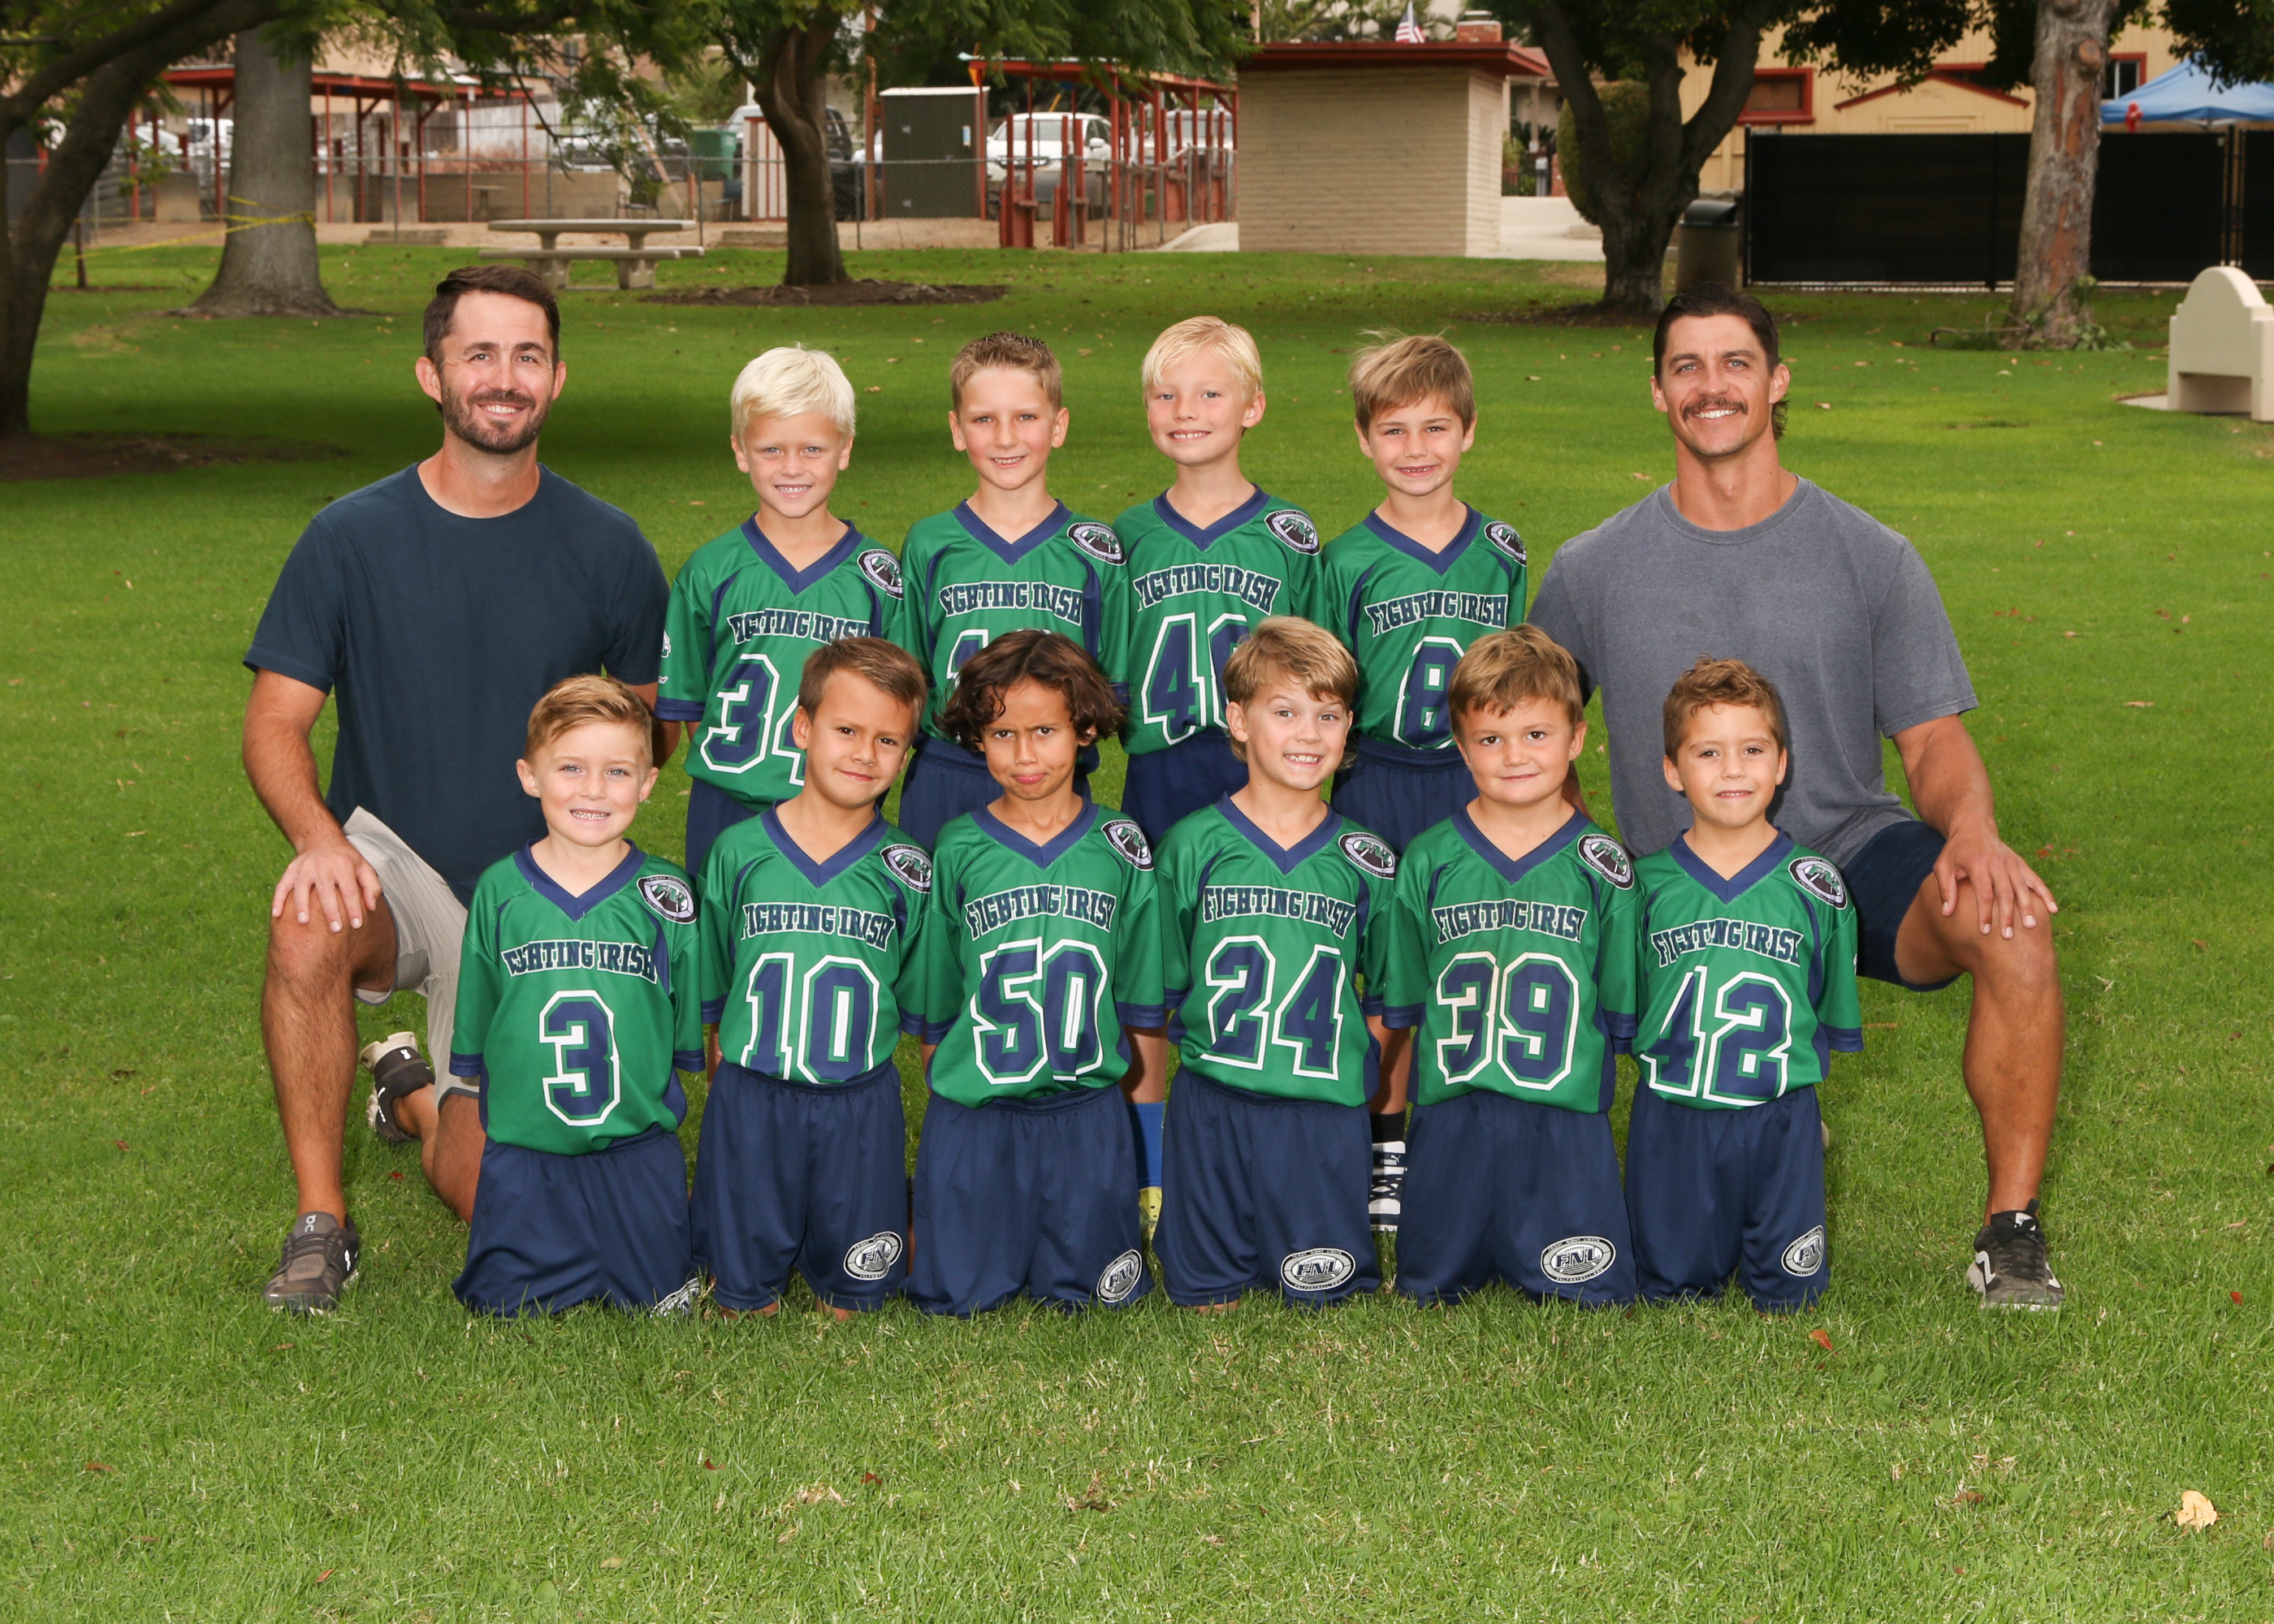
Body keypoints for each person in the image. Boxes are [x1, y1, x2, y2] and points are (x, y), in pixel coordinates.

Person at [1528, 282, 2065, 1309]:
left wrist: (1975, 831)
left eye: (1735, 362)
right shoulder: (1592, 568)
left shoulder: (1869, 555)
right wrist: (1579, 858)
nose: (1712, 385)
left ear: (1776, 382)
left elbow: (1932, 737)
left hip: (1840, 859)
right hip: (1673, 881)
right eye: (1686, 366)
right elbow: (1533, 730)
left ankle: (2011, 1233)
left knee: (2016, 927)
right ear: (1657, 393)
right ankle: (1730, 1097)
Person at [243, 265, 668, 1313]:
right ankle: (320, 1222)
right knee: (305, 920)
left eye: (527, 355)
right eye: (479, 354)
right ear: (432, 375)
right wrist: (319, 841)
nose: (503, 377)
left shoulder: (609, 544)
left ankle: (414, 1094)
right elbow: (274, 724)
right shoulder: (351, 535)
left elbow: (653, 729)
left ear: (556, 378)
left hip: (540, 890)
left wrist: (590, 830)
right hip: (395, 871)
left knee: (498, 1206)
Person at [1316, 332, 1527, 1229]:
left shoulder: (1502, 551)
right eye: (1393, 430)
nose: (1415, 448)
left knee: (1471, 957)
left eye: (1435, 427)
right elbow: (1325, 691)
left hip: (1472, 783)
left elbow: (1520, 684)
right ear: (1364, 440)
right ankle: (1381, 1141)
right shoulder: (1343, 560)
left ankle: (1469, 1134)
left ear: (1468, 431)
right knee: (1381, 975)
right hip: (1377, 777)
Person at [901, 632, 1167, 1315]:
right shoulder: (957, 847)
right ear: (977, 737)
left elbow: (1142, 1010)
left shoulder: (1120, 846)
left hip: (1086, 1117)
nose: (1024, 755)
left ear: (1084, 728)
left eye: (1044, 731)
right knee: (955, 1297)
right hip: (978, 1118)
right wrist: (949, 1129)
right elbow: (938, 1006)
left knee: (1100, 1300)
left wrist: (1150, 1156)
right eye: (1002, 734)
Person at [1381, 627, 1640, 1307]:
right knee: (1431, 1286)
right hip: (1453, 1110)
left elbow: (1620, 1004)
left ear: (1577, 738)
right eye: (1491, 739)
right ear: (1462, 747)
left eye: (1536, 734)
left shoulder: (1601, 866)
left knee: (1589, 1289)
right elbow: (1405, 998)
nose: (1515, 755)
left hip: (1565, 1118)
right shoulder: (1429, 860)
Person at [1152, 618, 1397, 1310]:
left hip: (1322, 1115)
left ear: (1349, 727)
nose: (1308, 734)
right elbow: (1160, 988)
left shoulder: (1367, 860)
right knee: (1206, 1298)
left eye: (1328, 715)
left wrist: (1352, 1078)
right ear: (1239, 719)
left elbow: (1388, 998)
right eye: (1284, 712)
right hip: (1213, 1106)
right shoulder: (1191, 847)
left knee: (1325, 1299)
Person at [690, 638, 932, 1318]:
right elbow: (716, 986)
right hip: (752, 1095)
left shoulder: (908, 869)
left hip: (859, 1102)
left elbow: (921, 998)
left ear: (907, 754)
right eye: (846, 730)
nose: (864, 754)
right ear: (802, 727)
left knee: (856, 1300)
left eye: (887, 740)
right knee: (741, 1300)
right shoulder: (738, 852)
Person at [447, 677, 704, 1316]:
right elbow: (480, 1008)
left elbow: (682, 1018)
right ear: (529, 776)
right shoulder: (501, 891)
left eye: (617, 771)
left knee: (663, 1305)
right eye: (571, 768)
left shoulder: (667, 895)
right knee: (500, 1306)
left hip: (636, 1153)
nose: (594, 790)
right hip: (526, 1153)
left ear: (647, 783)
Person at [1624, 659, 1861, 1310]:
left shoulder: (1817, 887)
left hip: (1780, 1117)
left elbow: (1824, 1011)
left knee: (1790, 1293)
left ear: (1782, 764)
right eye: (1708, 752)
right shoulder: (1643, 889)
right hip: (1673, 1114)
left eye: (1753, 750)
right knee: (1670, 1288)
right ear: (1672, 770)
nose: (1733, 770)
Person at [655, 346, 904, 878]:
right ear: (740, 451)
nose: (792, 468)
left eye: (812, 448)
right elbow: (693, 704)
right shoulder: (711, 570)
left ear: (844, 449)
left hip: (843, 811)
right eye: (771, 449)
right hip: (726, 810)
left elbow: (899, 709)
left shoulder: (876, 578)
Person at [892, 333, 1132, 847]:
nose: (1006, 438)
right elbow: (907, 678)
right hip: (947, 773)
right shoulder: (930, 544)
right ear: (957, 430)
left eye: (1025, 416)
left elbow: (1110, 686)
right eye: (984, 419)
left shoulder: (1092, 550)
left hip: (1051, 778)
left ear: (1058, 425)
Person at [1116, 317, 1324, 844]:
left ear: (1252, 407)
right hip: (1159, 768)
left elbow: (1319, 666)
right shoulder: (1129, 535)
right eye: (1166, 395)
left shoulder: (1286, 534)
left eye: (1209, 393)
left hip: (1264, 760)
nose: (1185, 410)